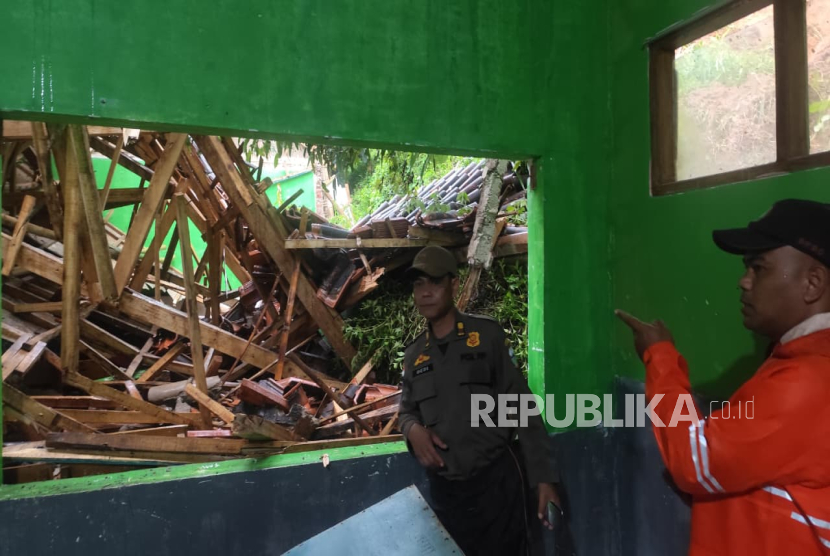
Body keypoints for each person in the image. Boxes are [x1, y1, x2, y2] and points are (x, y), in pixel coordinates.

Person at [617, 199, 830, 555]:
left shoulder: (807, 381)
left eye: (758, 268)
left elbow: (693, 461)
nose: (743, 282)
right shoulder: (795, 360)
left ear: (812, 283)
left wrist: (660, 358)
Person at [398, 246, 561, 555]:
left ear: (454, 285)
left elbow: (522, 408)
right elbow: (406, 412)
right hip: (447, 497)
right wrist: (413, 430)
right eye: (419, 284)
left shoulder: (486, 338)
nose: (425, 292)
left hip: (496, 487)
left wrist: (544, 479)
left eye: (434, 282)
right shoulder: (414, 356)